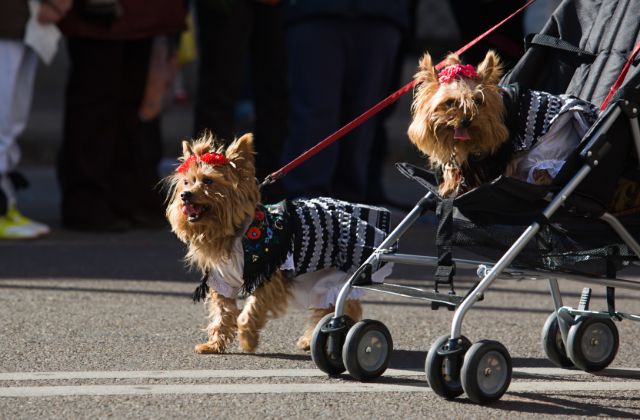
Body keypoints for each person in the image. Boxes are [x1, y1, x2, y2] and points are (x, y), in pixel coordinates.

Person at [57, 0, 186, 231]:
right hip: (99, 13)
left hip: (141, 16)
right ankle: (89, 197)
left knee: (131, 104)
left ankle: (125, 194)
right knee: (96, 101)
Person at [281, 0, 409, 203]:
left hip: (380, 14)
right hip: (315, 12)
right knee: (314, 118)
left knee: (363, 120)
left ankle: (349, 209)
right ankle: (304, 208)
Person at [193, 0, 288, 202]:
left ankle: (269, 190)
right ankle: (207, 188)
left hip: (275, 7)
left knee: (275, 93)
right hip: (227, 6)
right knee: (219, 88)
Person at [0, 0, 70, 239]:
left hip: (20, 19)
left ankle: (5, 204)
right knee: (4, 118)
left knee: (12, 119)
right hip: (11, 18)